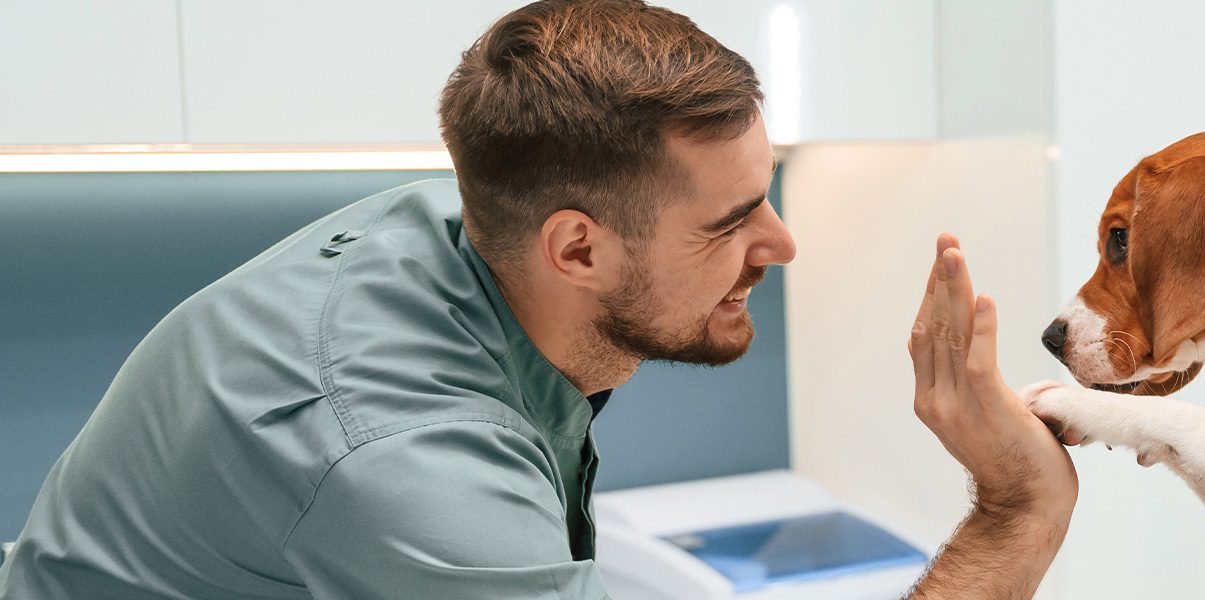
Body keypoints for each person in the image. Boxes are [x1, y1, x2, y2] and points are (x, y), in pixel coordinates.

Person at [0, 1, 1073, 598]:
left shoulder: (479, 233)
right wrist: (1017, 509)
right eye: (732, 220)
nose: (781, 245)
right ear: (577, 249)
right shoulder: (403, 458)